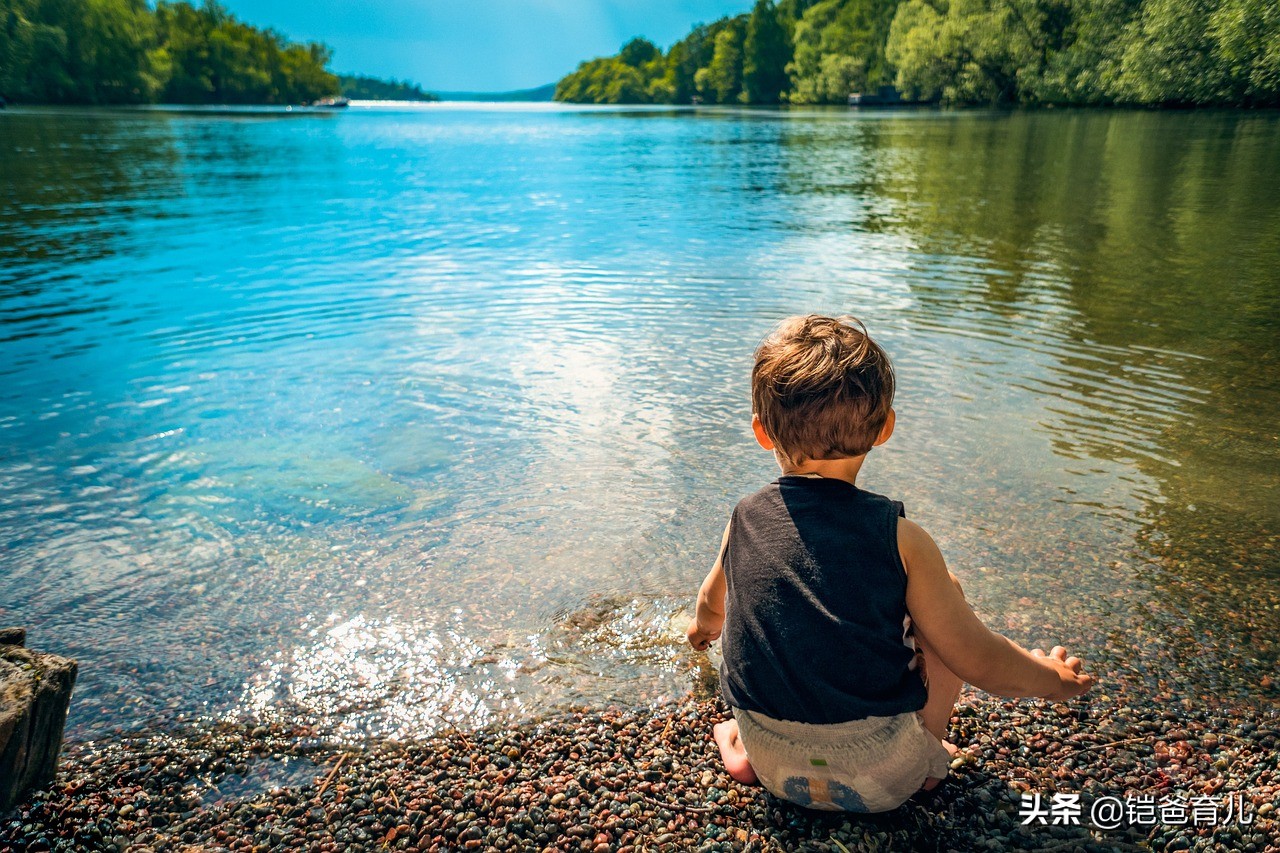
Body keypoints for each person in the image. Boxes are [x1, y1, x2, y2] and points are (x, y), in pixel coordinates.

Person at [686, 314, 1093, 813]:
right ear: (885, 428)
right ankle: (928, 756)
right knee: (946, 596)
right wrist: (1053, 679)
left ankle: (741, 748)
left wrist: (700, 633)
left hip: (774, 765)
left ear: (762, 433)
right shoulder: (902, 539)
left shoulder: (743, 519)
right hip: (882, 777)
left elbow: (711, 604)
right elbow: (979, 659)